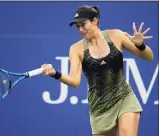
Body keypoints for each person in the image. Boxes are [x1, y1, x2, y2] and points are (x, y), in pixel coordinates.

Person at [41, 5, 154, 136]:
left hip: (124, 97)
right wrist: (55, 73)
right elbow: (75, 81)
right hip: (99, 107)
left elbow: (148, 56)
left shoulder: (116, 35)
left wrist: (140, 45)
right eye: (78, 26)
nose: (81, 29)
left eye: (83, 24)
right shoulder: (76, 49)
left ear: (94, 20)